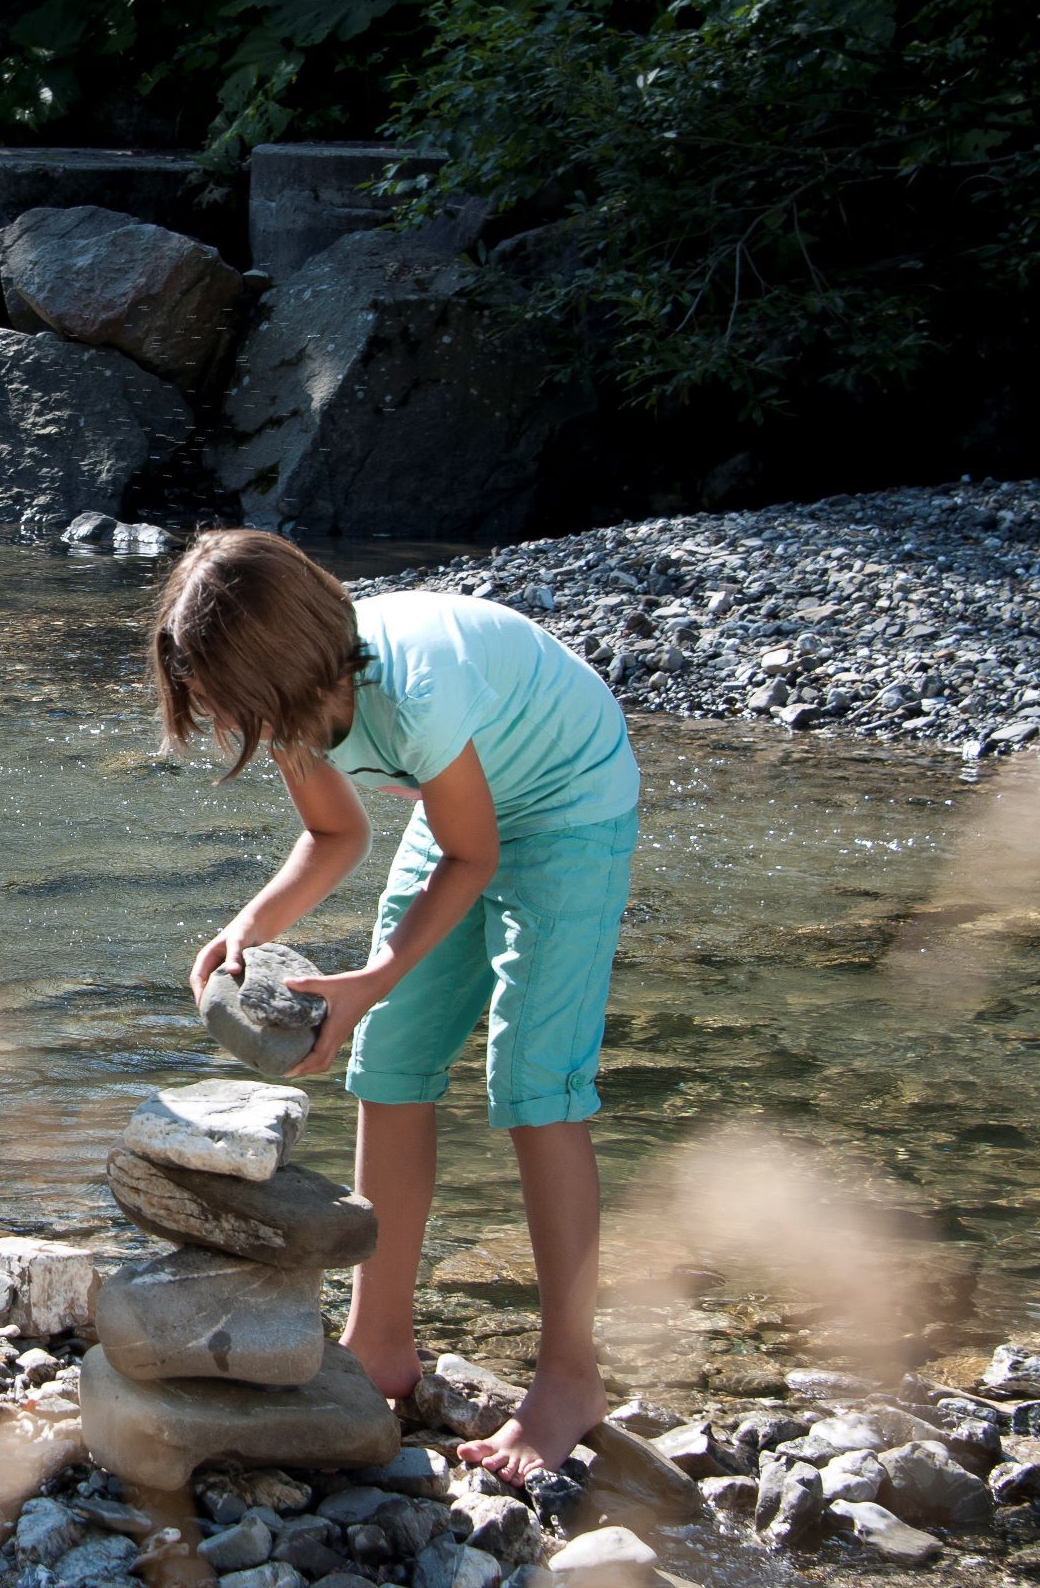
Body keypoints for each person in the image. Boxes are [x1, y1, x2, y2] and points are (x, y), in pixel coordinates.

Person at [151, 528, 640, 1480]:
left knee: (535, 1080)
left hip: (567, 797)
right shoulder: (293, 706)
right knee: (390, 1061)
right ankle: (380, 1341)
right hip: (459, 808)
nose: (215, 719)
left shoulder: (414, 692)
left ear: (277, 669)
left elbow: (478, 857)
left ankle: (570, 1380)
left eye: (218, 700)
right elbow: (335, 834)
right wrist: (247, 928)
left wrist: (374, 976)